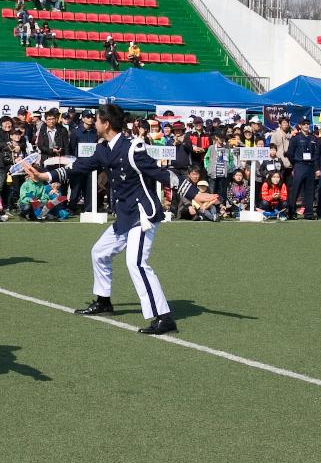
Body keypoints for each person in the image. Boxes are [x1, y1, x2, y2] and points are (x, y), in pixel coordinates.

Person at [25, 102, 196, 335]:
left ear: (106, 124)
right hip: (125, 216)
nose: (93, 123)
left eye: (96, 120)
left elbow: (162, 173)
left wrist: (196, 193)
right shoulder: (103, 148)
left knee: (136, 263)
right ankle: (104, 302)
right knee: (99, 252)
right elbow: (79, 167)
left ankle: (164, 317)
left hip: (143, 215)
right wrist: (46, 175)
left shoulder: (133, 147)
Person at [286, 117, 317, 220]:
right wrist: (295, 163)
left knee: (310, 191)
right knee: (295, 190)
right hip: (299, 165)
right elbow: (290, 153)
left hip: (310, 166)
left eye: (308, 124)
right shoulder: (295, 138)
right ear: (300, 126)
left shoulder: (313, 138)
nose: (306, 126)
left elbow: (316, 153)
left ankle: (309, 213)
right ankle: (291, 212)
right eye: (304, 124)